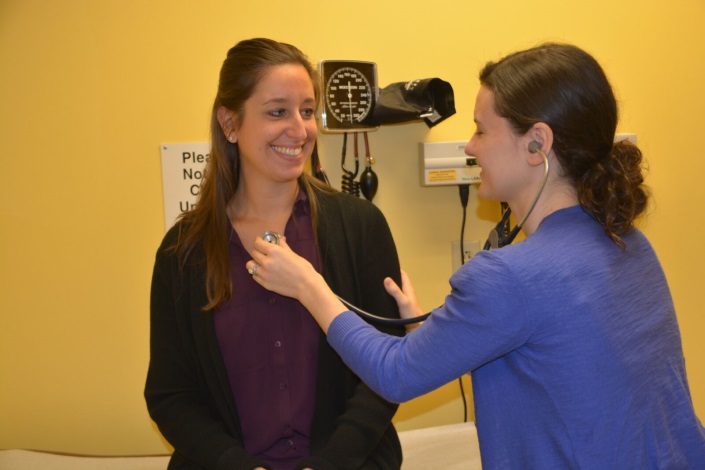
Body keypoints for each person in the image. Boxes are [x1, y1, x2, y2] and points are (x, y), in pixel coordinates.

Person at [246, 43, 705, 469]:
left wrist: (308, 286)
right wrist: (430, 335)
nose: (470, 146)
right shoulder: (627, 242)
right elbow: (550, 362)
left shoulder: (511, 277)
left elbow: (395, 374)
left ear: (537, 144)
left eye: (482, 130)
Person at [145, 38, 405, 470]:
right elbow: (171, 395)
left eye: (307, 111)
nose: (300, 130)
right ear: (230, 123)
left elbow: (388, 365)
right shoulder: (182, 252)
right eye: (278, 112)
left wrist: (327, 464)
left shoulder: (360, 227)